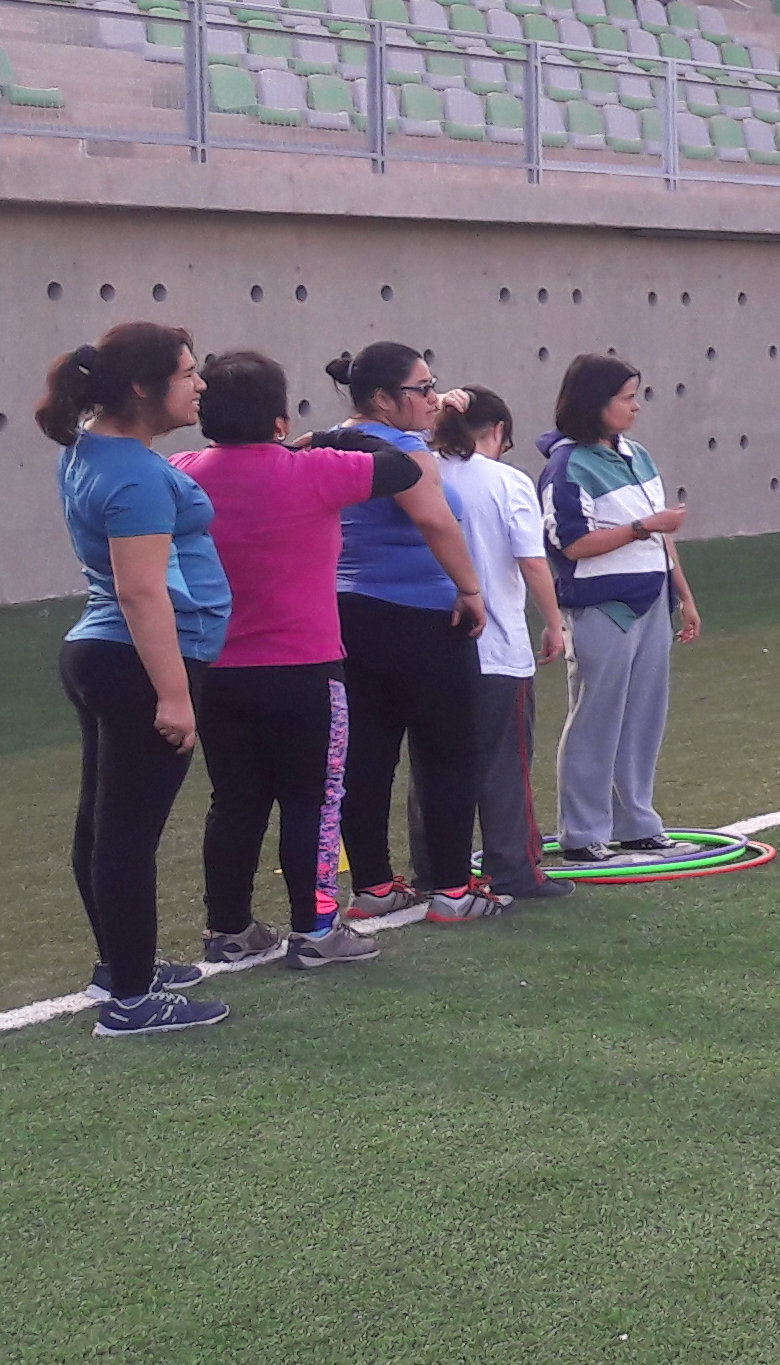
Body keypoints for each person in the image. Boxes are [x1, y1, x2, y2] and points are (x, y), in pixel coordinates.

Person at [178, 350, 479, 974]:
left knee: (234, 801)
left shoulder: (183, 471)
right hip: (303, 666)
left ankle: (227, 927)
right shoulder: (314, 469)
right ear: (280, 420)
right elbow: (400, 467)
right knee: (313, 801)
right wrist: (335, 436)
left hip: (216, 670)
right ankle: (315, 929)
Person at [41, 323, 232, 1037]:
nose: (200, 385)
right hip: (138, 662)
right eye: (187, 374)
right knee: (125, 835)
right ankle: (130, 1000)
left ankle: (119, 967)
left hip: (105, 655)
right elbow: (141, 591)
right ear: (143, 389)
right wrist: (175, 695)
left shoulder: (93, 449)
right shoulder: (135, 475)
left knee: (103, 824)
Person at [315, 343, 500, 925]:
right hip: (420, 617)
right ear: (382, 398)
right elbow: (433, 518)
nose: (433, 398)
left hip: (350, 615)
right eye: (422, 389)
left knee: (367, 759)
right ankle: (452, 890)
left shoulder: (332, 441)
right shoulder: (404, 452)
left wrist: (436, 403)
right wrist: (471, 590)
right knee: (448, 755)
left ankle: (372, 887)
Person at [543, 354, 702, 860]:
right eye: (626, 398)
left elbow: (662, 536)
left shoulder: (638, 455)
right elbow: (572, 545)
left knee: (642, 719)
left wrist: (684, 595)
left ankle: (637, 822)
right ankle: (583, 833)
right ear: (595, 402)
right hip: (602, 608)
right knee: (595, 719)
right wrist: (643, 527)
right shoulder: (567, 466)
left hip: (652, 602)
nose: (636, 407)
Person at [433, 389, 571, 904]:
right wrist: (554, 622)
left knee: (434, 763)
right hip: (496, 644)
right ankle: (514, 869)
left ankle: (436, 870)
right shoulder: (506, 481)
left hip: (432, 642)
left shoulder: (420, 471)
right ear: (496, 432)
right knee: (504, 763)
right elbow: (531, 560)